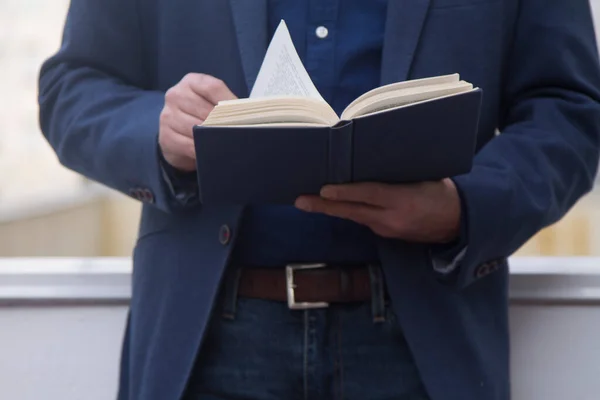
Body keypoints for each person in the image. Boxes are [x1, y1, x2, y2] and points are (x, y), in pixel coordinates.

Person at [38, 0, 600, 399]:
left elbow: (570, 111)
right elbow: (72, 89)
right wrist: (157, 132)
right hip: (208, 344)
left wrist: (464, 207)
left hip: (425, 342)